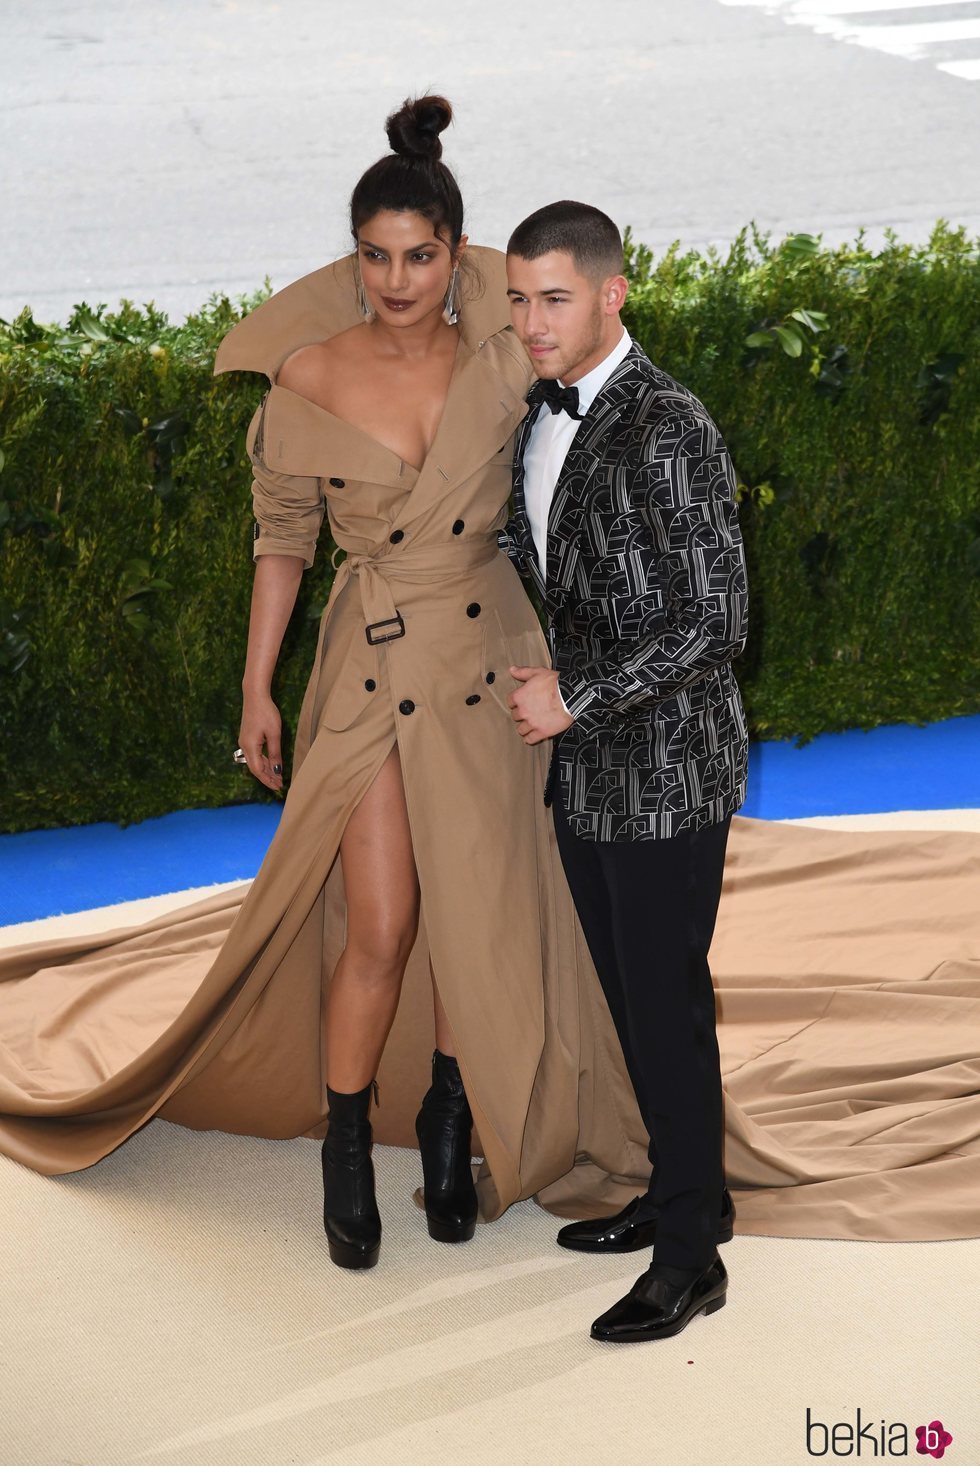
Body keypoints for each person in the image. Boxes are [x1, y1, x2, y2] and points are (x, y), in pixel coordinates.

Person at [0, 100, 657, 1270]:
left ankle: (451, 1119)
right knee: (387, 922)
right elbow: (281, 544)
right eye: (371, 254)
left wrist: (459, 237)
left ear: (455, 257)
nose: (394, 280)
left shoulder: (500, 350)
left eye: (420, 255)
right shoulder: (302, 372)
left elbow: (557, 290)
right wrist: (256, 688)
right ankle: (346, 1140)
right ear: (345, 254)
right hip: (366, 659)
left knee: (476, 911)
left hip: (486, 647)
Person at [503, 200, 749, 1340]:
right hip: (586, 774)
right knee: (630, 999)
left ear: (611, 293)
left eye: (553, 297)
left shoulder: (669, 423)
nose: (531, 321)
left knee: (662, 1002)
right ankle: (676, 1189)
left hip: (667, 767)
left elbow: (716, 621)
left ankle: (691, 1252)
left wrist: (575, 696)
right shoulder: (535, 416)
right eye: (516, 297)